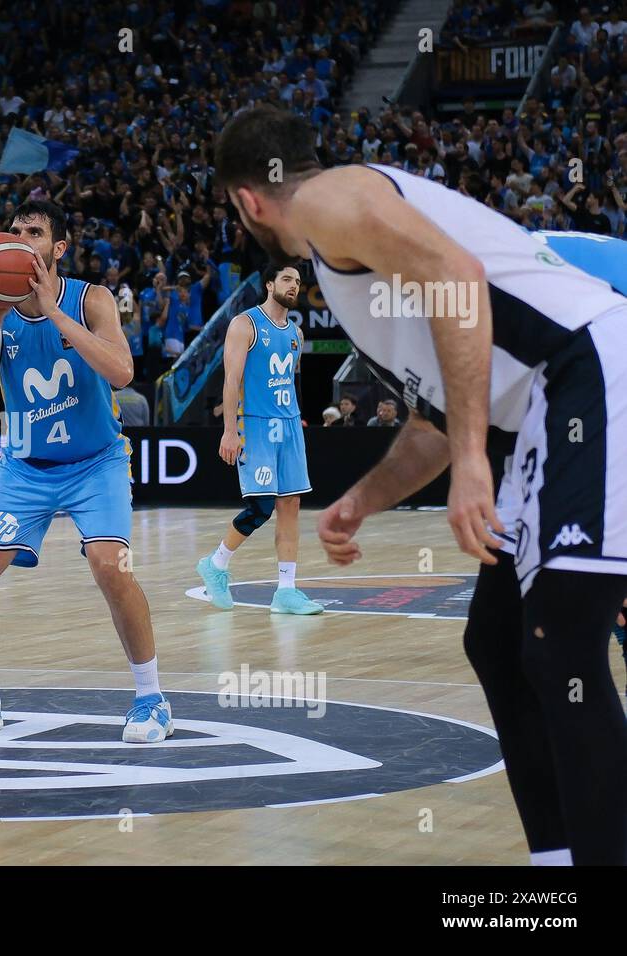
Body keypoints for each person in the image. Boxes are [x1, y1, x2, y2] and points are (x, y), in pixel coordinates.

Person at [215, 104, 627, 865]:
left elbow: (458, 276)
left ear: (247, 199)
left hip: (586, 366)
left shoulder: (327, 201)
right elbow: (440, 414)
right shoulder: (344, 256)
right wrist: (362, 501)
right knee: (501, 645)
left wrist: (474, 460)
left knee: (562, 640)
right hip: (541, 400)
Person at [0, 199, 171, 743]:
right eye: (17, 231)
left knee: (108, 565)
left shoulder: (91, 299)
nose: (24, 239)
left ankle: (152, 699)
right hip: (25, 467)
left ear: (59, 247)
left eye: (36, 232)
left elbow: (122, 372)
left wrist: (53, 311)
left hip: (97, 463)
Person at [195, 264, 322, 613]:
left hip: (290, 426)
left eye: (297, 281)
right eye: (286, 279)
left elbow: (287, 383)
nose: (293, 286)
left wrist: (297, 419)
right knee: (261, 507)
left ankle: (286, 591)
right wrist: (230, 430)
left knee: (290, 505)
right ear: (269, 283)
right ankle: (216, 563)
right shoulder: (245, 324)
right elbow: (232, 380)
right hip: (256, 427)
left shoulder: (296, 334)